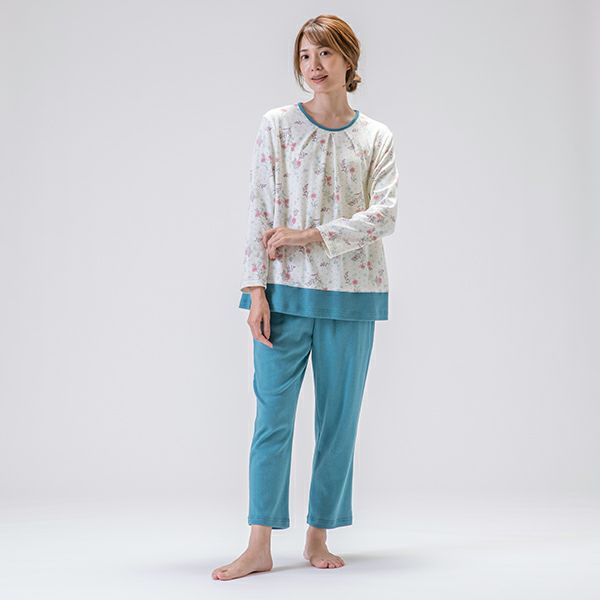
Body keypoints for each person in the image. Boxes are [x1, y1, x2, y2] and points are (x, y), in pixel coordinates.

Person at [212, 13, 399, 581]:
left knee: (338, 421)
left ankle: (319, 535)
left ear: (348, 59)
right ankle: (259, 544)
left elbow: (385, 216)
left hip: (352, 296)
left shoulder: (376, 137)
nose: (313, 66)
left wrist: (311, 235)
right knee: (272, 419)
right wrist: (254, 290)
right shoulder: (277, 125)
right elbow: (259, 207)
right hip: (283, 296)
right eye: (304, 55)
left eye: (325, 54)